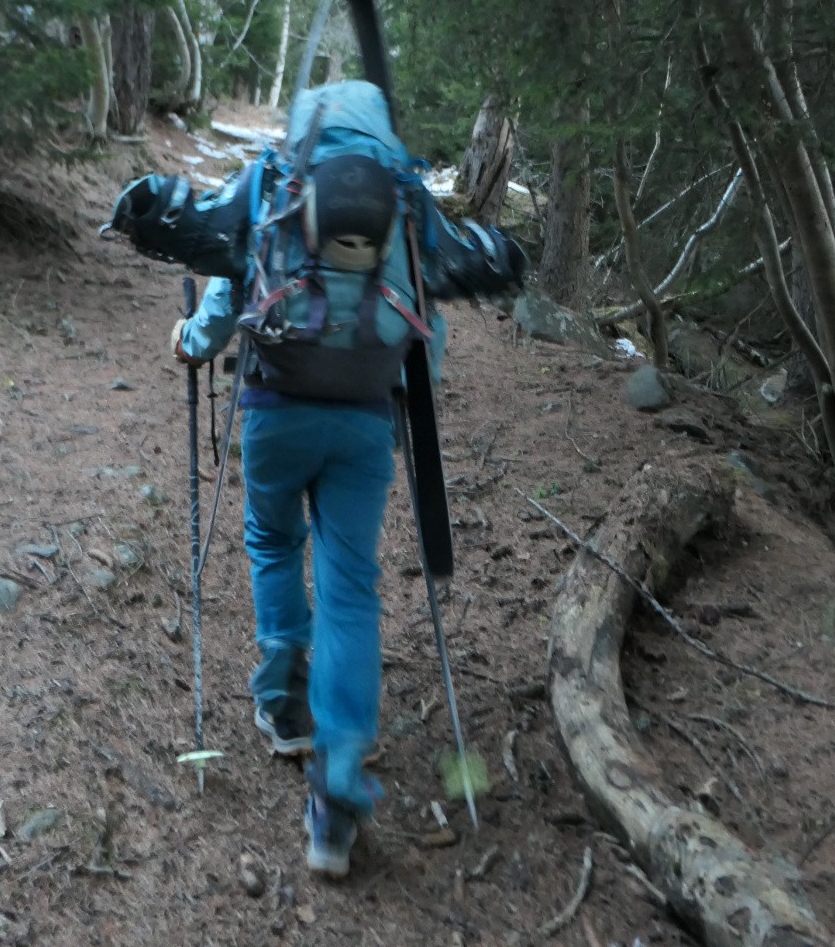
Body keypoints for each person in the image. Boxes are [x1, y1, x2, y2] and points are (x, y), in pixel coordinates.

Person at [109, 80, 524, 878]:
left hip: (274, 408)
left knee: (271, 538)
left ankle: (281, 698)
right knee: (350, 587)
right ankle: (335, 794)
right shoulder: (404, 200)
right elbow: (427, 313)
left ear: (308, 121)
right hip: (364, 422)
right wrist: (406, 387)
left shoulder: (275, 180)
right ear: (376, 128)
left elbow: (232, 281)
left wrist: (193, 341)